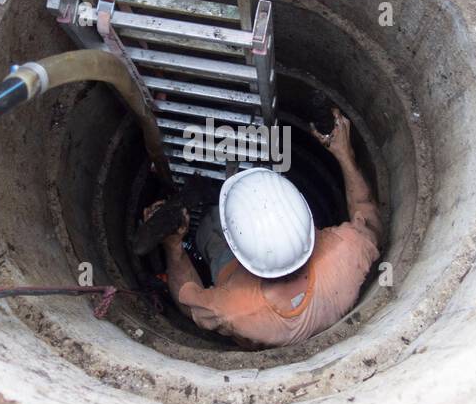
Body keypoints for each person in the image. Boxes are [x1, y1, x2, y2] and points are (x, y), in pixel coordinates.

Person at [147, 109, 382, 348]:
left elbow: (187, 304)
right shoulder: (347, 252)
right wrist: (345, 154)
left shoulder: (232, 309)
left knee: (210, 227)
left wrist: (174, 246)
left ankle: (210, 216)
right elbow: (369, 220)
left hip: (239, 292)